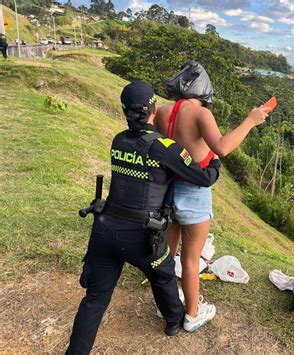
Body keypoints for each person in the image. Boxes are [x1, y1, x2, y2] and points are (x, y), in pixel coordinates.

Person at [66, 81, 222, 354]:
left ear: (125, 111)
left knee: (94, 300)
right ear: (153, 109)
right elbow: (204, 177)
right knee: (162, 276)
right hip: (140, 235)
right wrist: (216, 160)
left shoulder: (118, 140)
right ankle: (174, 320)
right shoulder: (163, 147)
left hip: (104, 230)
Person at [154, 61, 267, 332]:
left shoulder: (162, 111)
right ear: (205, 93)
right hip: (194, 193)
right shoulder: (201, 115)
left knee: (167, 255)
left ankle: (166, 304)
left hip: (167, 191)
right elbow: (223, 147)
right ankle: (193, 314)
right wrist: (251, 121)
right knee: (191, 260)